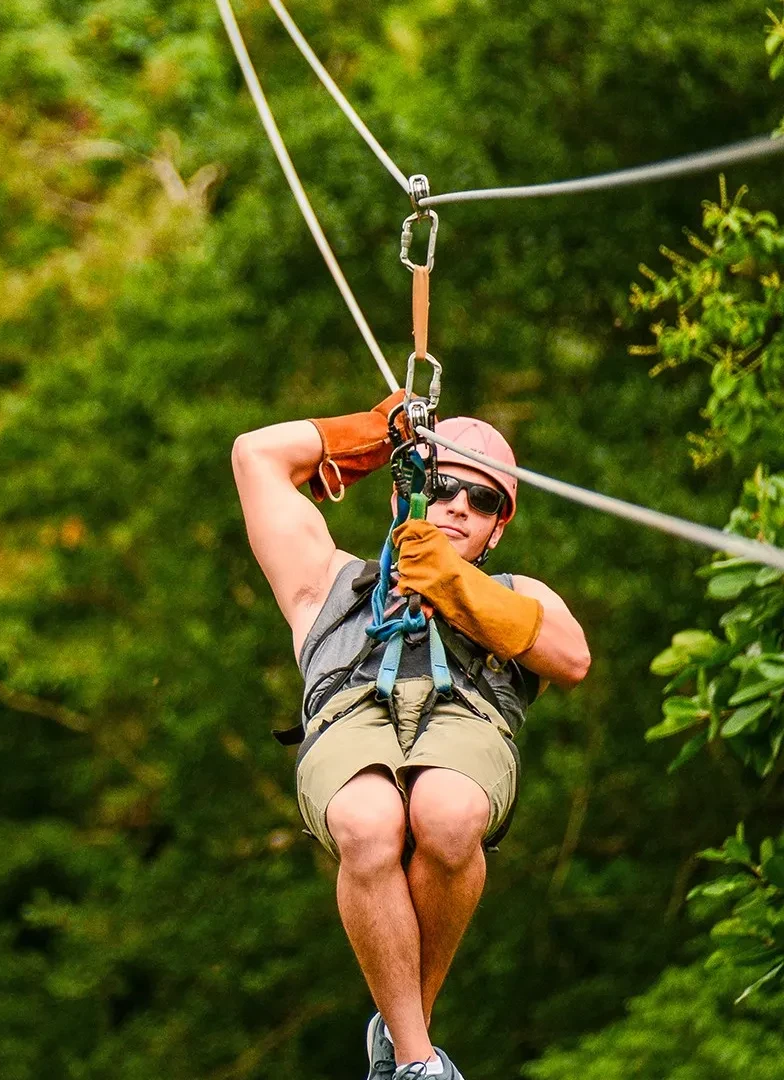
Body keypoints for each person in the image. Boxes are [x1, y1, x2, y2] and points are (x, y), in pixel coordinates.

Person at [231, 393, 590, 1079]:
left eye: (481, 500)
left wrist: (459, 587)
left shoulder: (519, 593)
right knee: (368, 824)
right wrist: (370, 435)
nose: (458, 505)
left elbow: (572, 658)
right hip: (352, 712)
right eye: (442, 484)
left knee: (448, 814)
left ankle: (402, 1043)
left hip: (466, 721)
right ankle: (418, 1059)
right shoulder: (327, 581)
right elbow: (256, 456)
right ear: (408, 492)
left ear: (496, 531)